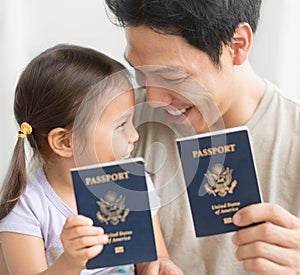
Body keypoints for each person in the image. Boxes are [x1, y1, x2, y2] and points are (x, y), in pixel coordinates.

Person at [104, 0, 300, 274]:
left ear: (238, 45)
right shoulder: (113, 127)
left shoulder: (293, 141)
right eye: (140, 73)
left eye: (172, 77)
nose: (153, 100)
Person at [0, 44, 183, 275]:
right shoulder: (27, 206)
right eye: (121, 125)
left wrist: (160, 267)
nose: (134, 135)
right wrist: (69, 263)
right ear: (65, 142)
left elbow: (152, 259)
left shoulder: (133, 182)